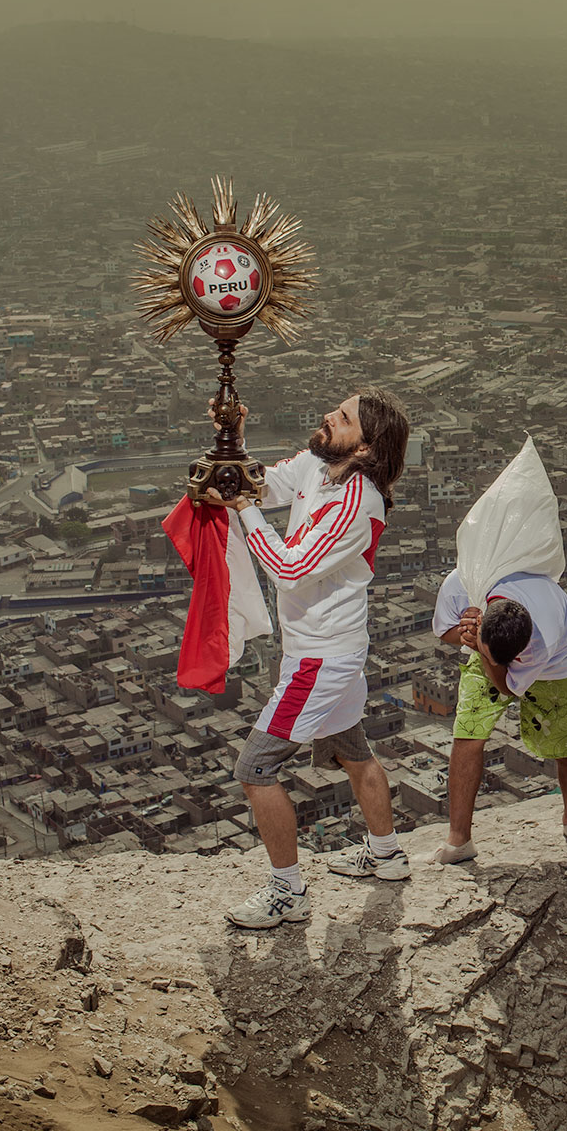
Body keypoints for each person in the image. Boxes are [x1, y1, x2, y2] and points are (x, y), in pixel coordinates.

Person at [201, 390, 411, 930]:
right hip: (324, 646)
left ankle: (286, 892)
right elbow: (262, 485)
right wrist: (234, 437)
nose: (328, 417)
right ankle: (386, 855)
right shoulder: (318, 466)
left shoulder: (355, 501)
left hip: (322, 655)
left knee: (254, 769)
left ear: (366, 445)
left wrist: (246, 511)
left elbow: (291, 569)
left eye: (342, 418)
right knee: (352, 751)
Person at [431, 565, 567, 863]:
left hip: (557, 664)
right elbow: (445, 631)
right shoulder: (465, 581)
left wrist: (484, 652)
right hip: (487, 645)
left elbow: (508, 687)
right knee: (468, 731)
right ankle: (459, 839)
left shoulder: (542, 640)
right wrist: (468, 636)